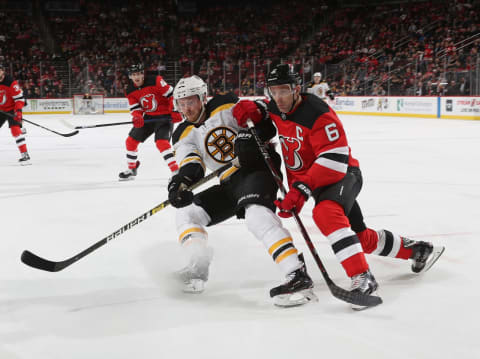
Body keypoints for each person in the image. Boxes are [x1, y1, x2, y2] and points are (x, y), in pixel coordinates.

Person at [234, 64, 445, 310]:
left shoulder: (317, 113)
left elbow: (334, 159)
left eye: (284, 90)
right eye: (273, 91)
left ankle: (363, 277)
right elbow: (264, 109)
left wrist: (301, 191)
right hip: (312, 180)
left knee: (325, 213)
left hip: (340, 174)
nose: (278, 97)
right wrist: (254, 108)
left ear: (297, 89)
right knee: (359, 237)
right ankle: (419, 251)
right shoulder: (276, 106)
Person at [168, 75, 315, 307]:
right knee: (187, 213)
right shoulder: (181, 134)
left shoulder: (226, 104)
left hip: (257, 169)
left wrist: (253, 128)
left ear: (203, 98)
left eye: (191, 101)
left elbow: (265, 121)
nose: (186, 108)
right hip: (229, 182)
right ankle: (198, 265)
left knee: (256, 215)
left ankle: (296, 273)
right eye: (181, 103)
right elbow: (192, 164)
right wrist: (181, 182)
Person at [119, 63, 182, 181]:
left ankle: (176, 171)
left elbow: (172, 94)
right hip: (149, 118)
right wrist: (137, 116)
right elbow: (136, 108)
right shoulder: (130, 90)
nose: (136, 77)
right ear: (130, 77)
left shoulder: (156, 80)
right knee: (130, 141)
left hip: (164, 117)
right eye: (134, 75)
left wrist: (175, 110)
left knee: (162, 143)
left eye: (139, 74)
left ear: (143, 74)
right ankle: (132, 169)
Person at [0, 63, 29, 165]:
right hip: (1, 110)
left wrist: (18, 112)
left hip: (12, 109)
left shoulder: (11, 82)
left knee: (15, 130)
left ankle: (25, 155)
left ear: (3, 71)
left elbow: (19, 99)